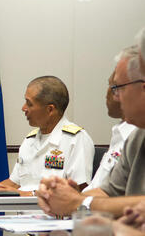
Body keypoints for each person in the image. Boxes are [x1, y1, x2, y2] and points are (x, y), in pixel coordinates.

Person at [37, 44, 145, 218]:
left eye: (118, 88)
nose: (115, 97)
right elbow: (108, 193)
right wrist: (61, 196)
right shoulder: (137, 137)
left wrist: (79, 202)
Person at [0, 75, 95, 196]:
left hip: (57, 220)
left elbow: (78, 190)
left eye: (29, 103)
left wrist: (24, 194)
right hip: (23, 217)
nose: (23, 108)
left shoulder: (76, 140)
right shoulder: (29, 140)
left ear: (50, 109)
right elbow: (14, 184)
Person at [81, 71, 136, 192]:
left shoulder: (136, 138)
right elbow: (100, 189)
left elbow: (120, 198)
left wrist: (75, 200)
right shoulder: (119, 134)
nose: (108, 94)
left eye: (114, 88)